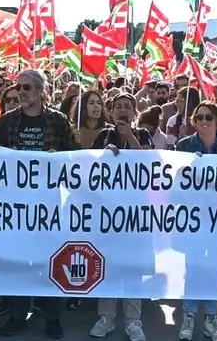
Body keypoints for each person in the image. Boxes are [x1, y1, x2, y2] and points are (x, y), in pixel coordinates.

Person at [0, 69, 76, 339]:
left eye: (26, 88)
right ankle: (18, 314)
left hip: (48, 204)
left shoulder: (58, 120)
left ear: (40, 91)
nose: (21, 93)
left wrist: (58, 157)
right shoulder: (6, 121)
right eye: (18, 87)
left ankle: (53, 316)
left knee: (50, 260)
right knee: (18, 260)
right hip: (17, 204)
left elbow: (74, 156)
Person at [87, 92, 150, 341]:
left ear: (134, 112)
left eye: (127, 107)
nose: (123, 110)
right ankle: (107, 318)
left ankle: (134, 321)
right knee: (108, 265)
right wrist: (104, 156)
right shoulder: (104, 135)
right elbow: (88, 165)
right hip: (108, 213)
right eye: (118, 106)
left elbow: (150, 165)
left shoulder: (143, 134)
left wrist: (129, 139)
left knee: (132, 267)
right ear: (111, 112)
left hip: (135, 214)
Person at [175, 101, 217, 341]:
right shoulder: (184, 146)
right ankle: (188, 316)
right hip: (194, 218)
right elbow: (176, 182)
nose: (202, 122)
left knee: (216, 268)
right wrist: (190, 165)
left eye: (208, 118)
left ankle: (211, 317)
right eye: (198, 117)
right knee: (194, 267)